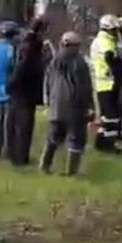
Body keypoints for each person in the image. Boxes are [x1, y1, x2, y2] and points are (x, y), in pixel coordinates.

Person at [39, 32, 95, 176]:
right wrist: (90, 106)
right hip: (75, 107)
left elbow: (47, 83)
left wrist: (48, 101)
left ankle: (44, 164)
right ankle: (71, 171)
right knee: (76, 139)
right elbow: (84, 87)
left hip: (56, 106)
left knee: (54, 136)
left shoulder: (54, 61)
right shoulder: (79, 63)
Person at [9, 16, 49, 166]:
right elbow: (23, 67)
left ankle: (17, 154)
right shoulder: (31, 45)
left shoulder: (28, 43)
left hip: (24, 89)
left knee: (21, 124)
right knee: (24, 125)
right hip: (25, 90)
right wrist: (14, 82)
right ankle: (20, 157)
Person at [91, 14, 122, 153]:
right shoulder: (105, 41)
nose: (116, 32)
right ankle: (108, 145)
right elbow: (109, 57)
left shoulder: (104, 39)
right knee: (111, 117)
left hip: (104, 83)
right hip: (108, 83)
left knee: (107, 116)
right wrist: (119, 71)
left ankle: (101, 142)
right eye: (114, 29)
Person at [0, 22, 18, 159]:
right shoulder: (10, 49)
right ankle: (8, 151)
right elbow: (13, 67)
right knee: (8, 124)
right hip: (8, 89)